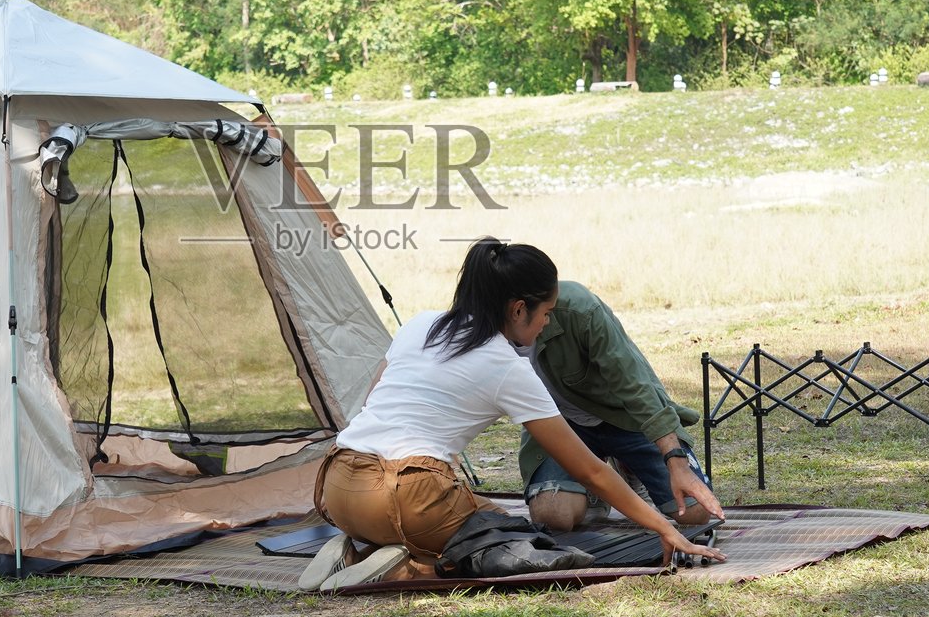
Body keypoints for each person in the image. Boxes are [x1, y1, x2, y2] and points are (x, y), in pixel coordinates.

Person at [300, 239, 726, 591]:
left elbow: (371, 404)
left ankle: (358, 550)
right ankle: (409, 568)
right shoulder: (506, 366)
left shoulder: (419, 324)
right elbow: (592, 472)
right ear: (519, 309)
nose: (547, 324)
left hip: (338, 483)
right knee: (522, 542)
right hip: (406, 494)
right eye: (545, 313)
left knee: (485, 519)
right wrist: (664, 529)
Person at [517, 281, 724, 531]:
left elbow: (634, 385)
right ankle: (593, 489)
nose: (549, 319)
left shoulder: (580, 309)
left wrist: (676, 461)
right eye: (546, 313)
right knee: (552, 517)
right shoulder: (487, 335)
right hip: (560, 424)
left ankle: (627, 466)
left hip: (624, 417)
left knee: (695, 511)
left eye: (551, 311)